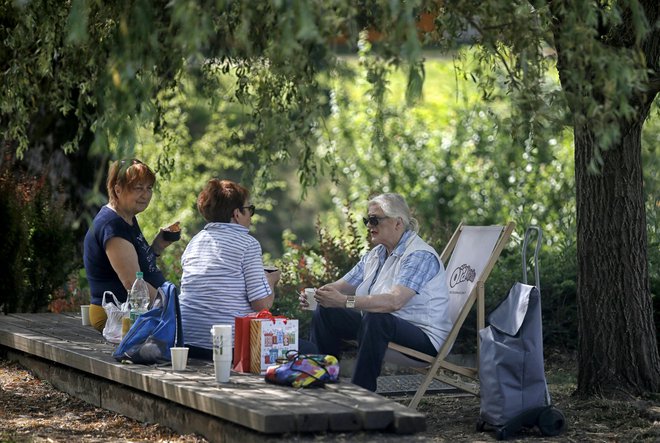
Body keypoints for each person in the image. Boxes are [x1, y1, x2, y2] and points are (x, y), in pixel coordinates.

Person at [304, 193, 452, 391]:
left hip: (424, 339)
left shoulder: (419, 256)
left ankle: (363, 393)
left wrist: (345, 301)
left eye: (374, 220)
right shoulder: (376, 254)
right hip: (381, 329)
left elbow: (394, 302)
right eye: (367, 220)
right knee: (326, 311)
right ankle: (321, 381)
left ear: (397, 223)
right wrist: (317, 296)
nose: (368, 225)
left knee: (377, 317)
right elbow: (339, 287)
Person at [179, 179, 281, 360]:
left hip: (187, 343)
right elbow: (261, 305)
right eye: (250, 209)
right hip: (228, 348)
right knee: (307, 348)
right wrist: (271, 280)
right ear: (237, 214)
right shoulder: (248, 244)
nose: (251, 215)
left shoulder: (195, 242)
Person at [83, 159, 176, 332]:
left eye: (149, 188)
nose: (146, 195)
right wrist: (170, 307)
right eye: (138, 188)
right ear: (118, 190)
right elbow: (132, 283)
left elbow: (139, 267)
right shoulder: (112, 225)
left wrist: (156, 247)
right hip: (118, 315)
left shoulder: (128, 217)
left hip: (135, 311)